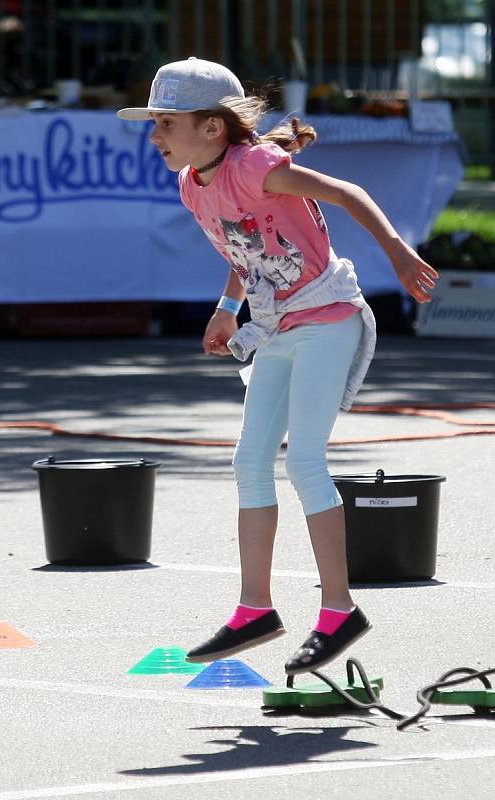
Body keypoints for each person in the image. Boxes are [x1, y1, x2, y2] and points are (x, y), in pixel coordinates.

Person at [118, 57, 438, 675]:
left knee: (305, 461)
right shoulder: (193, 183)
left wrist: (397, 253)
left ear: (212, 128)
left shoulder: (255, 164)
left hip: (326, 319)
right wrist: (226, 307)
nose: (154, 135)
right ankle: (255, 608)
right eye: (153, 123)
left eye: (164, 122)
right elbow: (246, 244)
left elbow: (349, 193)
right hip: (275, 326)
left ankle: (339, 611)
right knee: (248, 461)